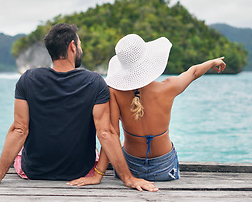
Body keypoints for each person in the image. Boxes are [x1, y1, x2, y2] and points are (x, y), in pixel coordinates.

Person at [0, 25, 157, 192]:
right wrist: (128, 178)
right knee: (106, 149)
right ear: (72, 47)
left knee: (20, 150)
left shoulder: (27, 79)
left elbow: (19, 129)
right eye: (79, 45)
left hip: (33, 172)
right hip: (80, 172)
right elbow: (105, 133)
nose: (80, 49)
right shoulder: (95, 82)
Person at [69, 34, 226, 186]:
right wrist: (212, 62)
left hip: (130, 166)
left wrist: (98, 174)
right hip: (164, 167)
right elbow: (193, 72)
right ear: (149, 63)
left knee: (123, 141)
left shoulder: (114, 92)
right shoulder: (169, 87)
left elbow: (111, 134)